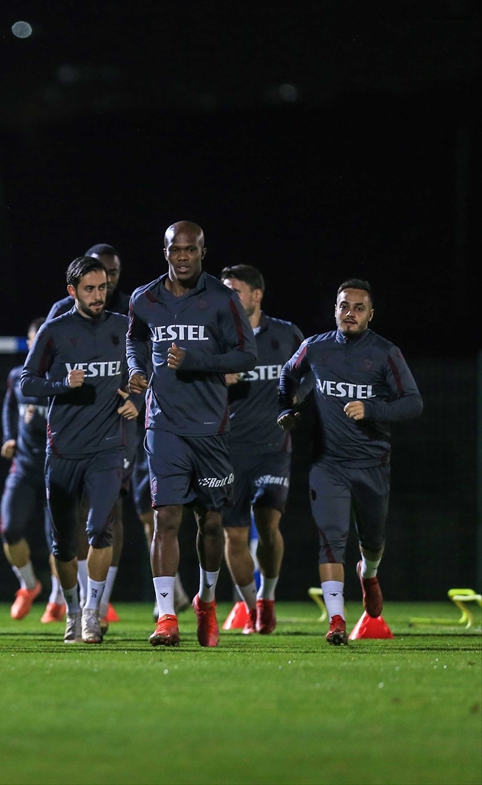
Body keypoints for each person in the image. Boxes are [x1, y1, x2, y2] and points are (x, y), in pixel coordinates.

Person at [126, 222, 257, 647]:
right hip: (163, 425)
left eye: (190, 250)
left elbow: (247, 355)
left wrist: (195, 360)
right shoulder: (144, 298)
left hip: (209, 427)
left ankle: (207, 602)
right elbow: (135, 340)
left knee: (211, 522)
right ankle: (166, 616)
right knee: (165, 517)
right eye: (175, 249)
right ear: (164, 252)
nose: (182, 257)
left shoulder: (222, 299)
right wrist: (137, 369)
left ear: (203, 252)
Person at [279, 279, 421, 645]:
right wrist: (285, 408)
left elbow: (413, 402)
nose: (350, 313)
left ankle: (368, 574)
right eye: (344, 306)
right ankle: (337, 621)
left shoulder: (386, 353)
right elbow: (288, 374)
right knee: (331, 539)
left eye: (359, 308)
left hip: (372, 464)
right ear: (335, 310)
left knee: (372, 540)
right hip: (328, 463)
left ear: (371, 315)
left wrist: (371, 409)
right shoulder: (316, 346)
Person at [22, 257, 137, 643]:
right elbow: (27, 382)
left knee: (100, 530)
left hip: (107, 449)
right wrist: (62, 384)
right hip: (63, 451)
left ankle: (92, 611)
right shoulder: (55, 330)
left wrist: (137, 398)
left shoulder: (123, 326)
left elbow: (147, 369)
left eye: (102, 287)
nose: (98, 295)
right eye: (90, 289)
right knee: (64, 545)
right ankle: (72, 609)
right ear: (72, 291)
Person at [220, 264, 305, 635]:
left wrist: (297, 397)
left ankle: (267, 598)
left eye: (234, 291)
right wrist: (216, 377)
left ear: (256, 295)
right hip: (228, 451)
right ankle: (251, 605)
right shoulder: (217, 338)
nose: (228, 299)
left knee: (269, 523)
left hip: (274, 448)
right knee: (234, 535)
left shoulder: (286, 334)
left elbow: (311, 370)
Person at [0, 317, 63, 621]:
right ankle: (28, 585)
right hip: (24, 466)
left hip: (56, 468)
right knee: (9, 528)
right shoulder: (17, 376)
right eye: (33, 342)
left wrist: (38, 422)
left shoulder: (62, 378)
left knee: (59, 540)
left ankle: (57, 598)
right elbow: (10, 406)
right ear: (28, 344)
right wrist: (9, 436)